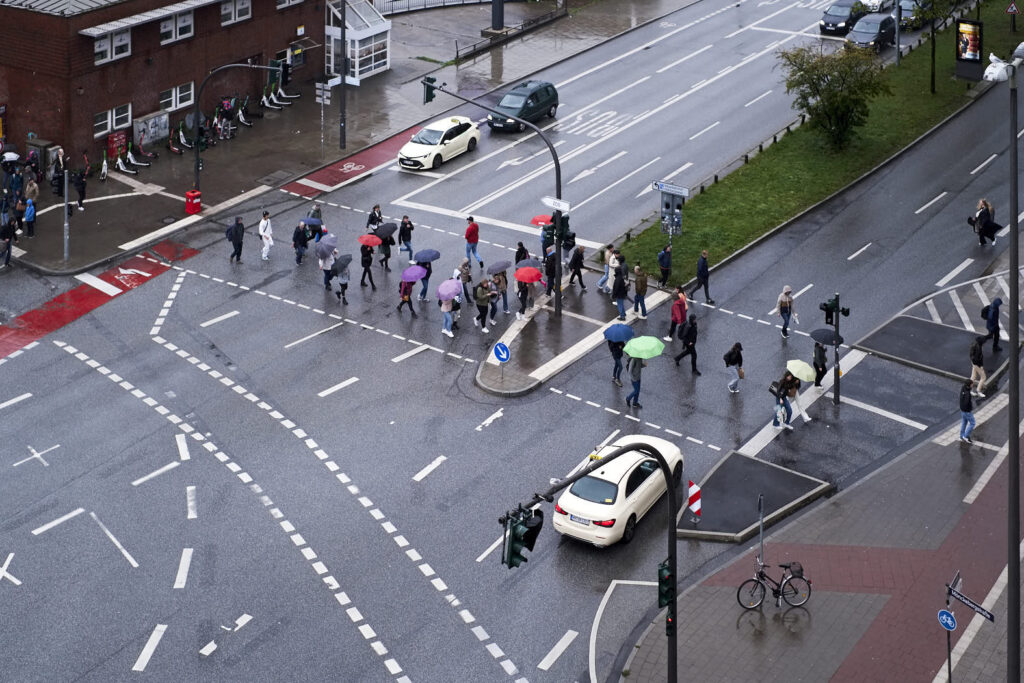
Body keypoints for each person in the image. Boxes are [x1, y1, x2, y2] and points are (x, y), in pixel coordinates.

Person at [959, 379, 976, 444]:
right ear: (969, 385)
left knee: (964, 422)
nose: (973, 385)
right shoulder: (967, 394)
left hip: (962, 410)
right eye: (972, 384)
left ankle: (961, 436)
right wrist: (969, 408)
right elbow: (966, 402)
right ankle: (965, 436)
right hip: (967, 411)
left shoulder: (963, 388)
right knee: (972, 423)